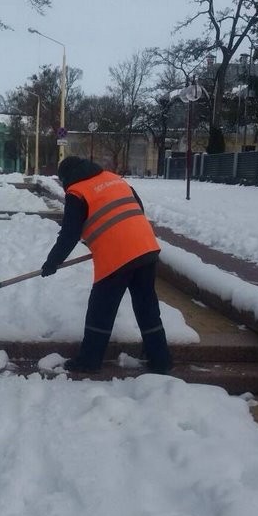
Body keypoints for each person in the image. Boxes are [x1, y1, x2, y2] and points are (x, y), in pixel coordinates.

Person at [41, 156, 173, 374]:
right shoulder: (114, 179)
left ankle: (89, 361)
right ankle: (161, 360)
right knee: (147, 307)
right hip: (146, 247)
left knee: (100, 309)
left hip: (117, 256)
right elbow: (136, 207)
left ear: (66, 178)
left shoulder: (77, 191)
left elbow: (69, 234)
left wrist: (52, 262)